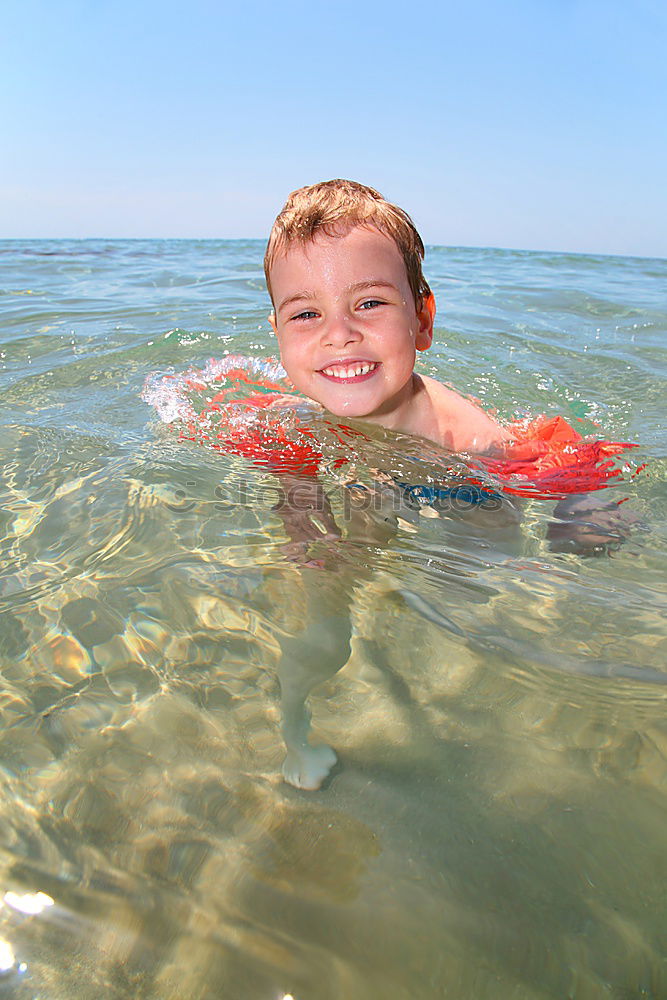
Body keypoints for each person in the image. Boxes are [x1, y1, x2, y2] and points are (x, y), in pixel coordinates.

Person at [259, 179, 637, 790]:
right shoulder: (297, 412)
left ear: (423, 319)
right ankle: (295, 731)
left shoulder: (468, 441)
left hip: (465, 500)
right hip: (380, 480)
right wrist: (299, 503)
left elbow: (557, 443)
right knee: (320, 600)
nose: (339, 334)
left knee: (468, 592)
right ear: (277, 330)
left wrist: (582, 503)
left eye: (370, 303)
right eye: (306, 313)